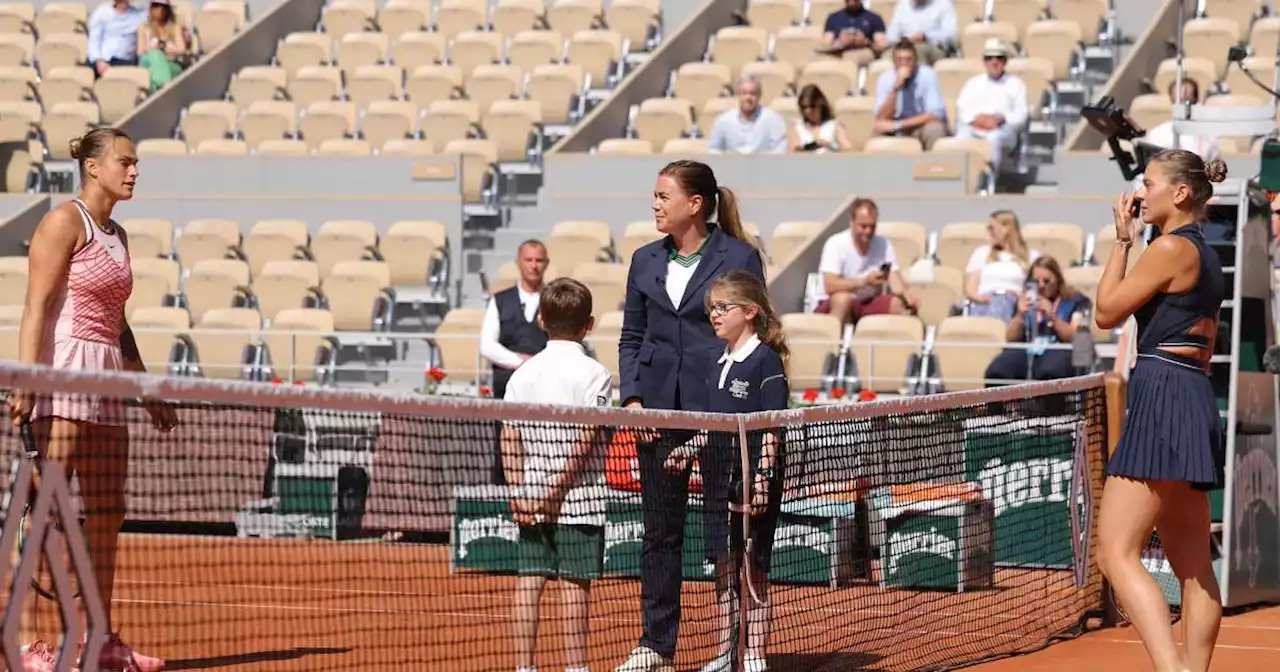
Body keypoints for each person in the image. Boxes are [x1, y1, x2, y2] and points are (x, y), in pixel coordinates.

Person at [8, 127, 177, 672]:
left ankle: (100, 640)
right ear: (94, 168)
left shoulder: (119, 236)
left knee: (108, 512)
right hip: (63, 371)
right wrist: (28, 380)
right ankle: (27, 643)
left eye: (136, 163)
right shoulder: (62, 222)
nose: (133, 171)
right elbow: (35, 307)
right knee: (45, 511)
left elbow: (119, 324)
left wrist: (146, 387)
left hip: (107, 377)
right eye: (125, 162)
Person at [614, 160, 765, 672]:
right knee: (659, 533)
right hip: (657, 413)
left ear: (694, 204)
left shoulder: (739, 256)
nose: (655, 205)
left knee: (724, 531)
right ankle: (655, 644)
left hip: (720, 414)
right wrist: (634, 400)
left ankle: (731, 647)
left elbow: (749, 338)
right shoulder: (642, 260)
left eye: (663, 196)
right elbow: (632, 336)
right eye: (654, 197)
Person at [1095, 149, 1228, 672]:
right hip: (1191, 395)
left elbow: (1106, 312)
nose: (1139, 193)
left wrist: (1122, 242)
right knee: (1193, 565)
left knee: (1114, 552)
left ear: (1179, 193)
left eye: (1148, 184)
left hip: (1164, 396)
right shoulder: (1204, 251)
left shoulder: (1170, 247)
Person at [665, 270, 789, 672]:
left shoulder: (765, 361)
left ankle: (754, 654)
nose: (715, 315)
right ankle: (725, 652)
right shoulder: (715, 361)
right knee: (723, 565)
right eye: (712, 309)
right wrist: (689, 448)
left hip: (751, 477)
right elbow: (715, 424)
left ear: (750, 311)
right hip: (717, 479)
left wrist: (763, 477)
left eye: (723, 308)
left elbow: (772, 426)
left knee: (753, 566)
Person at [501, 278, 612, 672]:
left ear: (542, 320)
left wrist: (519, 491)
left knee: (528, 583)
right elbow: (587, 439)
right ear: (590, 324)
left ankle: (523, 668)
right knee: (573, 589)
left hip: (532, 497)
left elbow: (509, 438)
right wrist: (552, 493)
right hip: (577, 501)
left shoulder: (521, 375)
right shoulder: (596, 374)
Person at [982, 257, 1089, 384]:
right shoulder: (1024, 301)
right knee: (998, 370)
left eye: (1046, 281)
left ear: (1058, 280)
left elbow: (1076, 337)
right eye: (1035, 281)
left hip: (1059, 351)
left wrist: (1052, 317)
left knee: (1049, 371)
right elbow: (1010, 338)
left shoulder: (1075, 301)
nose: (1041, 286)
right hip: (1026, 351)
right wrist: (1020, 315)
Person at [814, 197, 917, 324]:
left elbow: (894, 277)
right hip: (836, 301)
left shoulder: (884, 245)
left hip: (868, 302)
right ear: (852, 221)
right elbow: (830, 285)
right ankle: (833, 340)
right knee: (843, 300)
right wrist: (864, 281)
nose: (868, 231)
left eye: (872, 226)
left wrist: (907, 297)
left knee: (895, 304)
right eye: (863, 226)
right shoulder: (835, 244)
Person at [481, 240, 551, 402]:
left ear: (546, 264)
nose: (534, 266)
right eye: (528, 260)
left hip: (544, 391)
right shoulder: (499, 300)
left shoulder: (554, 301)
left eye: (538, 260)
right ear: (518, 262)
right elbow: (486, 345)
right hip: (504, 391)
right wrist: (520, 361)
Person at [953, 39, 1028, 173]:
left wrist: (1000, 119)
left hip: (1003, 131)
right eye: (990, 58)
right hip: (975, 127)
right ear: (985, 61)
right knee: (960, 138)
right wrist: (978, 120)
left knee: (994, 139)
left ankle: (989, 181)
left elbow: (1021, 115)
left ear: (1005, 61)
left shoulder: (1016, 84)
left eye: (999, 58)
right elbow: (962, 109)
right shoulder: (973, 83)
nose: (994, 62)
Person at [873, 39, 948, 150]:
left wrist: (899, 125)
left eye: (908, 60)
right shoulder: (885, 79)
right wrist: (895, 89)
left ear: (915, 60)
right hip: (896, 129)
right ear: (894, 61)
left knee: (935, 130)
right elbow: (881, 119)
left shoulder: (928, 75)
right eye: (900, 60)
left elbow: (935, 115)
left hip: (920, 126)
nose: (904, 63)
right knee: (877, 133)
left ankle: (934, 165)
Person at [964, 210, 1037, 321]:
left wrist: (1015, 296)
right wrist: (986, 300)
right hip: (984, 305)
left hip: (1016, 307)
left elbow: (1034, 289)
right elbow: (970, 289)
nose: (988, 231)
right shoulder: (981, 253)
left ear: (1007, 228)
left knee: (1003, 301)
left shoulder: (1030, 256)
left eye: (992, 228)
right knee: (999, 302)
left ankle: (992, 333)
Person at [707, 76, 788, 155]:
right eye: (744, 93)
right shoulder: (723, 121)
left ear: (759, 96)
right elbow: (714, 151)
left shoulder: (772, 119)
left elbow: (780, 150)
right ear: (738, 96)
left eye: (752, 94)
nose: (748, 98)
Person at [136, 0, 189, 92]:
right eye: (156, 6)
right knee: (155, 54)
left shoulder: (174, 27)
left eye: (162, 6)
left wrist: (162, 46)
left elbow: (182, 50)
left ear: (168, 9)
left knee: (152, 78)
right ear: (151, 8)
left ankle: (157, 91)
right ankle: (165, 86)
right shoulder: (144, 28)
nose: (159, 9)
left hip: (170, 62)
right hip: (149, 62)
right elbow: (140, 52)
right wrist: (152, 47)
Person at [884, 0, 957, 66]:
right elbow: (891, 35)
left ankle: (916, 79)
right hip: (905, 44)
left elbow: (950, 35)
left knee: (916, 51)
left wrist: (925, 36)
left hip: (932, 46)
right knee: (888, 55)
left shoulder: (943, 4)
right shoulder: (902, 5)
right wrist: (904, 39)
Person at [787, 84, 852, 154]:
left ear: (821, 105)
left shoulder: (834, 125)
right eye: (804, 107)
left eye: (812, 106)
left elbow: (849, 150)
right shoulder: (797, 126)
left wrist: (829, 146)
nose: (808, 111)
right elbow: (793, 152)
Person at [89, 0, 146, 77]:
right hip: (103, 59)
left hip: (126, 61)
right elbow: (94, 41)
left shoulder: (140, 14)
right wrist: (99, 61)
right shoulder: (101, 13)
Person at [820, 0, 887, 66]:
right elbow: (826, 45)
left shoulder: (874, 18)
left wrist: (865, 42)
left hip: (863, 51)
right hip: (838, 51)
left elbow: (881, 46)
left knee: (850, 58)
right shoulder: (833, 18)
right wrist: (841, 42)